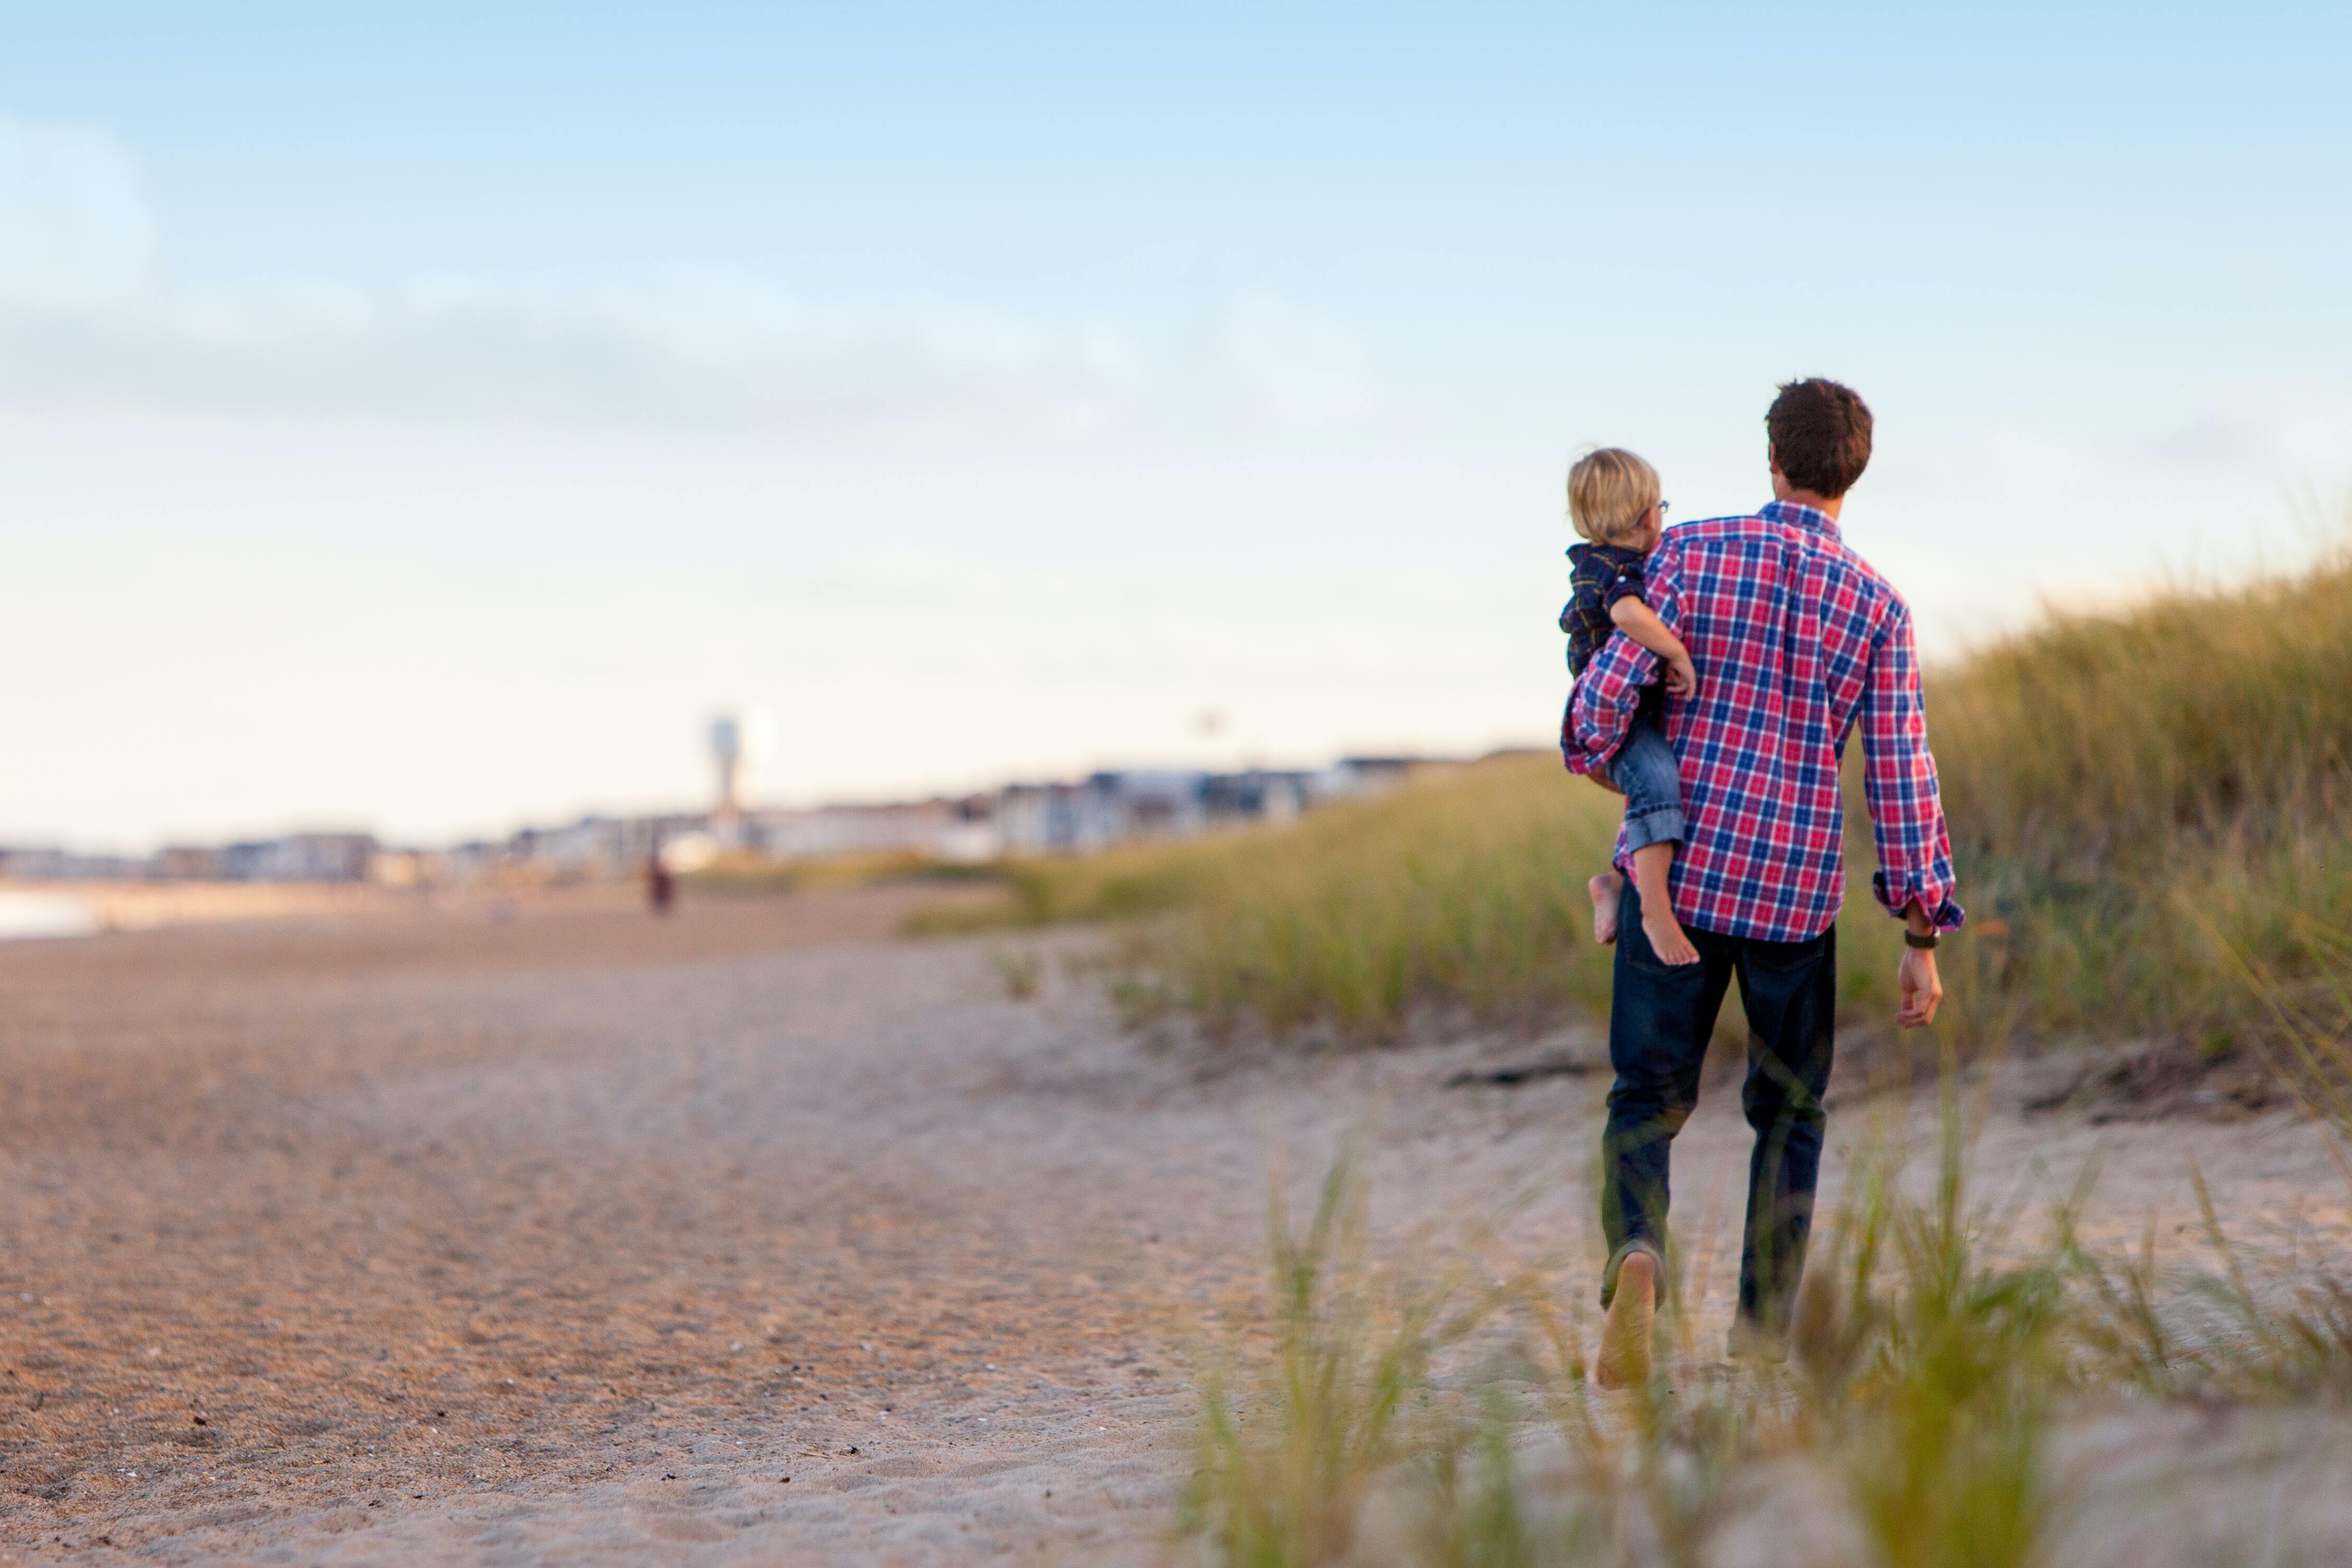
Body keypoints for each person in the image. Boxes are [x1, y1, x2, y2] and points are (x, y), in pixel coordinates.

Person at [1560, 379, 1962, 1387]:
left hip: (1681, 881)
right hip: (1792, 898)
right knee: (1788, 1115)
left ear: (1772, 459)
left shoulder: (1688, 552)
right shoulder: (1878, 605)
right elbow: (1902, 774)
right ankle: (1762, 1334)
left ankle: (1637, 1255)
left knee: (1643, 1103)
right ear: (1853, 471)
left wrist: (1602, 749)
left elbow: (1600, 706)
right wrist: (1920, 937)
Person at [1559, 447, 1702, 968]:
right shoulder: (1611, 568)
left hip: (1630, 711)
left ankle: (1614, 882)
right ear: (1647, 514)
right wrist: (1675, 649)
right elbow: (1626, 615)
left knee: (1651, 789)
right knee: (1658, 781)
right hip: (1614, 719)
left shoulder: (1610, 561)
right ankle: (1654, 912)